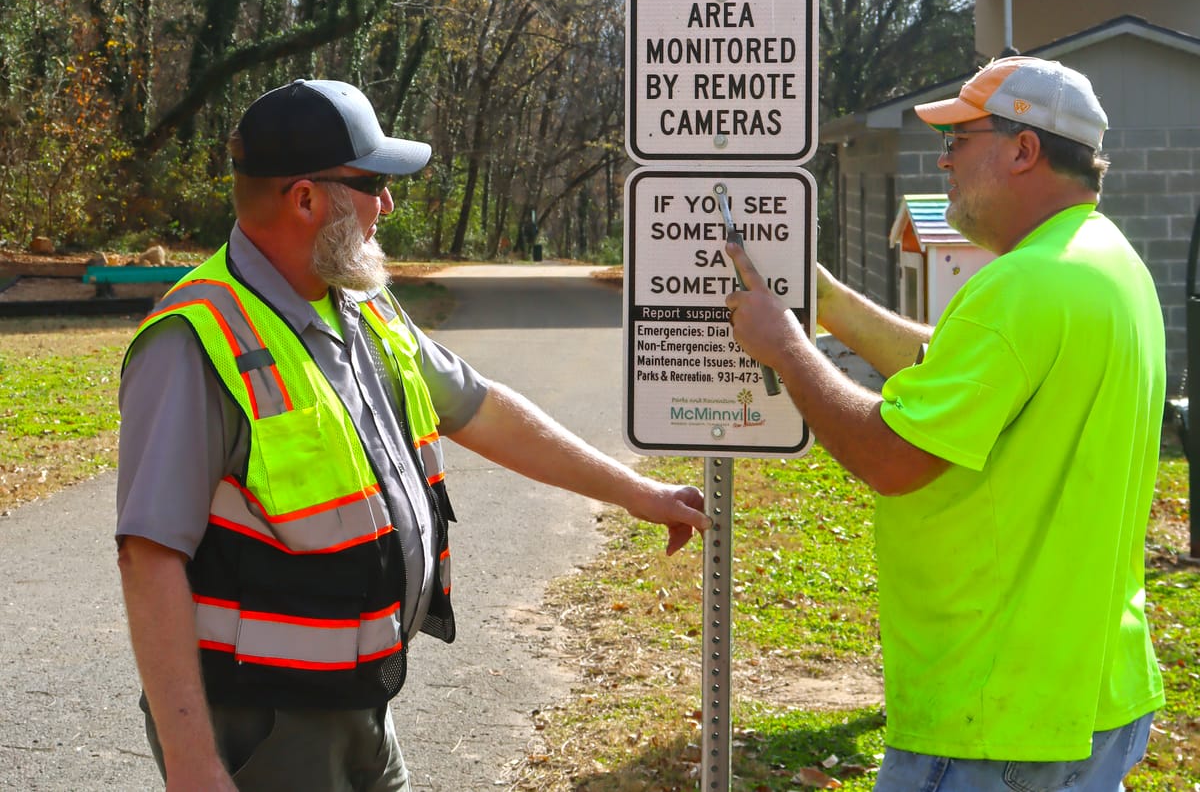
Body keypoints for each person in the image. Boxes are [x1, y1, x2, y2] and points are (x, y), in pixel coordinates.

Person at [115, 78, 710, 792]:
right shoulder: (193, 341)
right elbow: (149, 558)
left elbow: (481, 409)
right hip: (264, 723)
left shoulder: (360, 302)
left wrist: (637, 492)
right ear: (304, 199)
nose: (389, 205)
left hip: (361, 701)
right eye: (373, 184)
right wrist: (191, 763)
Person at [724, 57, 1164, 790]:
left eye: (960, 139)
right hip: (1092, 690)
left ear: (1024, 149)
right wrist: (826, 304)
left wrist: (787, 350)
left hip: (992, 713)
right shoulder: (1108, 263)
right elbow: (958, 369)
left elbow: (892, 458)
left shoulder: (1022, 286)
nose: (944, 160)